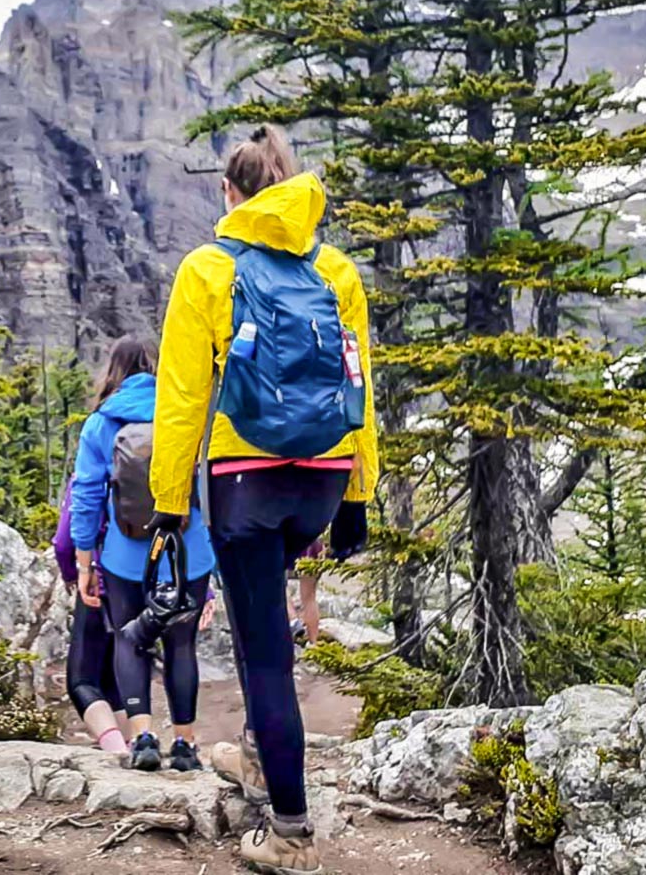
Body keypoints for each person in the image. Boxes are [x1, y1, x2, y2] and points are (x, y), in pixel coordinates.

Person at [149, 126, 379, 874]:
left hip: (245, 479)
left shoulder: (209, 267)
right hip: (321, 478)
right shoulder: (336, 268)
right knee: (266, 631)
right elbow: (359, 386)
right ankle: (257, 756)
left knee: (265, 650)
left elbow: (182, 397)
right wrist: (358, 495)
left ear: (230, 192)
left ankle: (290, 831)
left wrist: (168, 502)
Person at [70, 337, 217, 772]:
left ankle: (143, 738)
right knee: (181, 644)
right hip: (187, 552)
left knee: (129, 642)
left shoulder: (102, 422)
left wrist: (84, 561)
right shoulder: (184, 414)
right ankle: (186, 744)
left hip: (124, 555)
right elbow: (208, 490)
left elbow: (86, 494)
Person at [53, 481, 130, 754]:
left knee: (82, 680)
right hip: (147, 580)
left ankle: (117, 752)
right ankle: (133, 744)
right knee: (111, 676)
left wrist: (72, 574)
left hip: (102, 579)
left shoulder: (93, 465)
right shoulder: (155, 450)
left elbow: (64, 541)